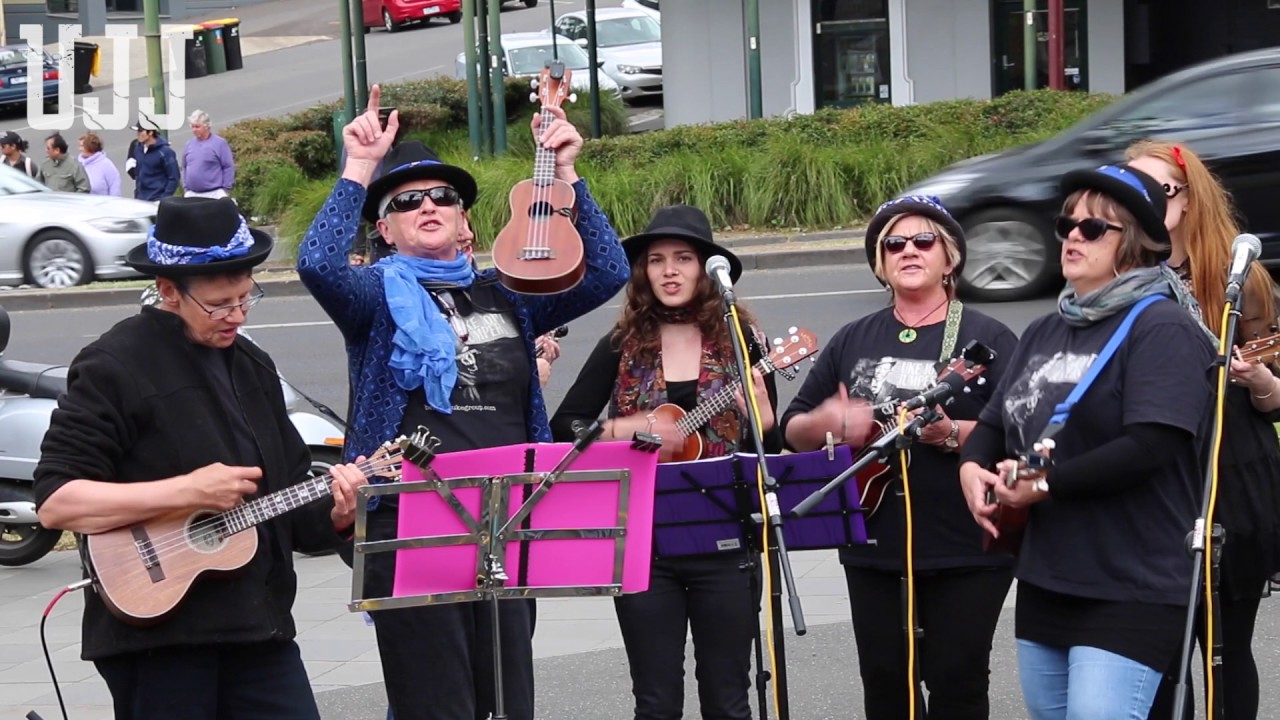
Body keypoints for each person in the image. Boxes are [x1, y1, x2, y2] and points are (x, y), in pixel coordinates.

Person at [296, 83, 629, 720]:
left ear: (465, 220)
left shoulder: (508, 292)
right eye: (406, 201)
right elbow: (316, 263)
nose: (429, 204)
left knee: (508, 702)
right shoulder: (372, 297)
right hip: (409, 522)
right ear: (385, 230)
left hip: (505, 519)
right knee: (435, 705)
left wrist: (567, 173)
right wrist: (359, 169)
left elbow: (609, 271)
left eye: (444, 196)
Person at [32, 196, 370, 720]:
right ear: (168, 291)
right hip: (159, 641)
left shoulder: (253, 364)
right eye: (218, 305)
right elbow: (57, 502)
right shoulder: (113, 365)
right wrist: (187, 492)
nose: (236, 315)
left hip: (260, 631)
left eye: (245, 298)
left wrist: (339, 514)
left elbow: (289, 503)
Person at [958, 165, 1215, 719]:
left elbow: (1152, 445)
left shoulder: (1162, 327)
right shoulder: (1045, 330)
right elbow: (995, 424)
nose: (1072, 236)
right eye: (1066, 224)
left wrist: (1044, 485)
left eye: (1094, 228)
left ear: (1137, 243)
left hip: (1132, 583)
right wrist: (972, 467)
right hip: (1048, 577)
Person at [781, 195, 1018, 719]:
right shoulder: (853, 338)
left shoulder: (988, 336)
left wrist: (952, 432)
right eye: (893, 243)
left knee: (957, 680)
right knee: (886, 681)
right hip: (874, 542)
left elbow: (1023, 429)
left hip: (966, 544)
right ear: (880, 264)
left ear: (949, 257)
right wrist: (829, 423)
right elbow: (793, 429)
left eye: (923, 240)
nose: (908, 250)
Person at [550, 204, 780, 719]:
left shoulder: (739, 340)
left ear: (705, 269)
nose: (670, 271)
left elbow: (772, 443)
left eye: (683, 258)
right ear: (644, 272)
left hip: (726, 542)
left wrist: (763, 416)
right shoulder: (623, 343)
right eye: (657, 260)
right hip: (643, 546)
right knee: (655, 700)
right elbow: (564, 426)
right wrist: (622, 428)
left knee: (729, 697)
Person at [1126, 141, 1280, 720]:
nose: (1139, 201)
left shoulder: (1243, 281)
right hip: (1151, 478)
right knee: (1156, 656)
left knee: (1223, 651)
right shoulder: (1116, 276)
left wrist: (1259, 379)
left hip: (1228, 477)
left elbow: (1275, 402)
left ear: (1189, 200)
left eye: (1157, 190)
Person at [183, 109, 236, 199]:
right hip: (192, 193)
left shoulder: (219, 143)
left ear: (206, 126)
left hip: (214, 193)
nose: (194, 130)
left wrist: (225, 189)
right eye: (192, 127)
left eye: (197, 127)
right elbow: (185, 167)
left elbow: (228, 166)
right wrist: (186, 188)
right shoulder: (189, 144)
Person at [131, 115, 180, 201]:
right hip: (141, 200)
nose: (137, 134)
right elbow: (138, 174)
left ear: (150, 133)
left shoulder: (165, 152)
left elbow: (174, 178)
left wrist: (164, 198)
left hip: (157, 201)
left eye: (141, 131)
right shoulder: (138, 149)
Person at [78, 132, 122, 197]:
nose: (79, 149)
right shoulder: (78, 164)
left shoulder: (107, 165)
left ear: (90, 147)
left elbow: (115, 189)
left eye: (82, 146)